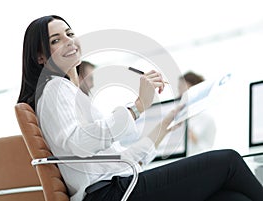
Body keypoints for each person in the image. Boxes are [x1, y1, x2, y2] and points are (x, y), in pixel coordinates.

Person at [17, 15, 263, 201]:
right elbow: (78, 143)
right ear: (40, 57)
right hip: (110, 193)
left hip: (117, 187)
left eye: (70, 33)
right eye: (56, 40)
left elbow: (125, 161)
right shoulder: (54, 88)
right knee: (229, 160)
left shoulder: (68, 94)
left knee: (232, 198)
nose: (69, 41)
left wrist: (165, 124)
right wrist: (137, 107)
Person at [178, 71, 216, 155]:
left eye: (183, 88)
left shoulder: (207, 119)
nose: (180, 93)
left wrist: (193, 137)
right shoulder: (176, 117)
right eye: (179, 88)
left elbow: (209, 150)